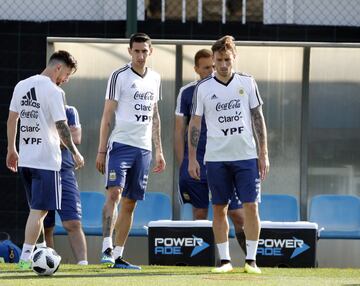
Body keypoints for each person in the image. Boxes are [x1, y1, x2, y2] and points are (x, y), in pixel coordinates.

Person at [188, 35, 270, 274]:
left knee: (251, 207)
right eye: (219, 60)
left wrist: (263, 153)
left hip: (246, 156)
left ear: (234, 58)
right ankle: (224, 261)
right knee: (219, 208)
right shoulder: (203, 88)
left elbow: (258, 118)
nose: (223, 64)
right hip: (216, 158)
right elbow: (195, 124)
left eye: (227, 59)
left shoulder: (247, 82)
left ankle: (252, 260)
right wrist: (192, 158)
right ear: (213, 60)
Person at [6, 50, 85, 270]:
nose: (65, 80)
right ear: (58, 68)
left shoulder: (21, 85)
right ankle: (25, 258)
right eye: (66, 74)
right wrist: (75, 153)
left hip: (26, 160)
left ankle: (34, 252)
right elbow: (62, 126)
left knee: (38, 211)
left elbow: (12, 120)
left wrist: (11, 149)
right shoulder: (53, 91)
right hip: (45, 161)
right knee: (38, 211)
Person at [96, 32, 166, 270]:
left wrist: (159, 150)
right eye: (136, 51)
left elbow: (155, 115)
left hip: (144, 149)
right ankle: (106, 246)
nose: (140, 55)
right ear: (130, 51)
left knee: (130, 203)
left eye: (144, 51)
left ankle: (117, 255)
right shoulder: (119, 76)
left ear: (150, 51)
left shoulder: (155, 78)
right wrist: (101, 151)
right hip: (121, 145)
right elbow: (107, 114)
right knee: (114, 194)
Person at [174, 49, 246, 253]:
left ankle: (252, 258)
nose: (211, 71)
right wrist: (185, 163)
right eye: (206, 68)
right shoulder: (187, 92)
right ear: (196, 69)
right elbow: (179, 130)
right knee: (200, 214)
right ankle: (205, 261)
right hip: (196, 162)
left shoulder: (231, 87)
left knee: (237, 214)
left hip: (223, 161)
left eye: (213, 66)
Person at [43, 104, 88, 265]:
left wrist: (50, 135)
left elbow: (75, 139)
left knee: (73, 222)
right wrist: (62, 134)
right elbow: (38, 139)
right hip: (43, 170)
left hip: (65, 171)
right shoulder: (39, 110)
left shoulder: (69, 111)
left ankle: (83, 264)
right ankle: (49, 262)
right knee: (46, 225)